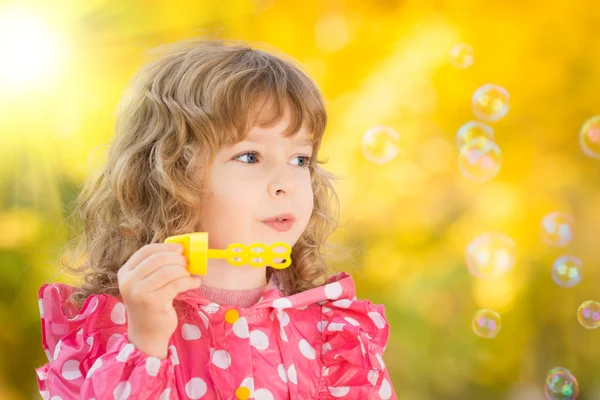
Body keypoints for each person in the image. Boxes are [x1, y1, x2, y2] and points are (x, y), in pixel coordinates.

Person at [35, 37, 397, 400]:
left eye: (300, 159)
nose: (286, 182)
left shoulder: (332, 336)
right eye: (250, 156)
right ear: (169, 174)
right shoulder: (122, 327)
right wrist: (145, 344)